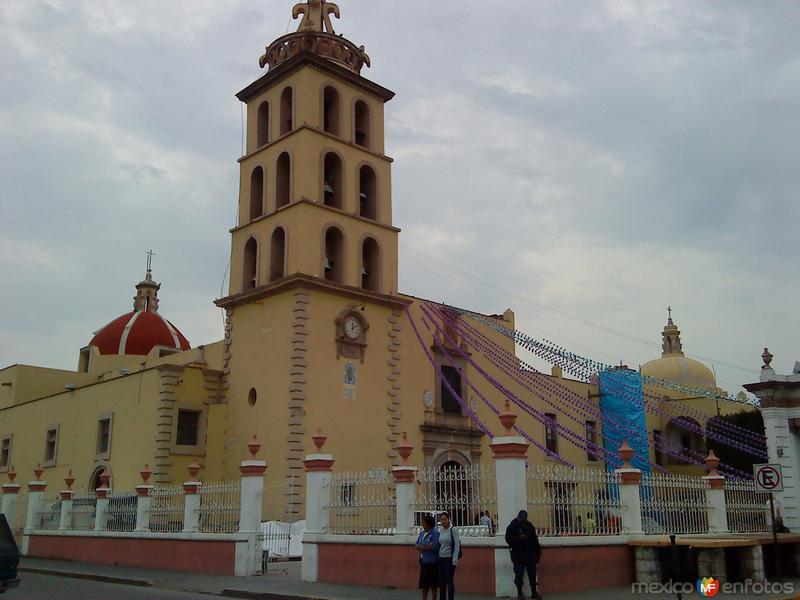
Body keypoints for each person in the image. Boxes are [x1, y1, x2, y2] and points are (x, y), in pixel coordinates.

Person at [505, 510, 542, 600]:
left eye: (524, 518)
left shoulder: (529, 526)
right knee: (519, 575)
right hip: (518, 554)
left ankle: (534, 593)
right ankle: (520, 593)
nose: (523, 520)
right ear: (518, 517)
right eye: (522, 518)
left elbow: (534, 539)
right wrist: (519, 538)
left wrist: (538, 552)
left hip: (529, 553)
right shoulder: (512, 527)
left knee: (532, 574)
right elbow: (508, 539)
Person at [415, 514, 440, 600]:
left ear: (428, 524)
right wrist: (425, 546)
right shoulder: (422, 533)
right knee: (424, 584)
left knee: (433, 584)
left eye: (424, 522)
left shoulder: (435, 533)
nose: (423, 524)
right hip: (423, 561)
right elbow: (417, 544)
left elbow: (435, 546)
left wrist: (423, 547)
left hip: (433, 562)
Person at [437, 511, 461, 600]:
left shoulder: (453, 530)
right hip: (441, 558)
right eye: (442, 520)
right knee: (441, 581)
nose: (443, 521)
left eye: (445, 519)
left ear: (448, 520)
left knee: (449, 580)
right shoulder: (440, 530)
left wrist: (454, 559)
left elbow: (457, 545)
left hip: (449, 559)